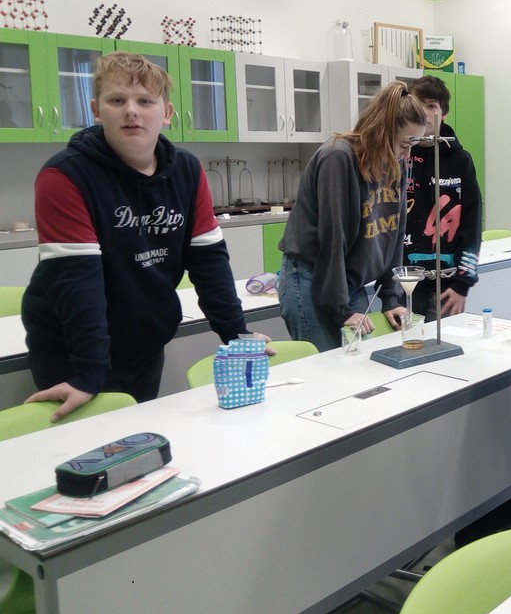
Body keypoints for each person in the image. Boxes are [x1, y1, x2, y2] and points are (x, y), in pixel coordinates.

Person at [21, 51, 253, 422]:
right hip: (72, 351)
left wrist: (236, 334)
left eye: (145, 101)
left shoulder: (188, 171)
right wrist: (89, 372)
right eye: (117, 100)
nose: (132, 111)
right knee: (90, 450)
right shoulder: (64, 176)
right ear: (97, 110)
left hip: (145, 340)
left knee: (138, 444)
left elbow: (209, 260)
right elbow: (77, 282)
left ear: (167, 113)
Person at [278, 80, 427, 352]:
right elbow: (333, 238)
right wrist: (340, 309)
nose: (408, 154)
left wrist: (392, 298)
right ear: (383, 131)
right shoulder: (338, 157)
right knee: (329, 368)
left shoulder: (395, 163)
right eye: (404, 144)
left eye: (413, 145)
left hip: (348, 283)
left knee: (360, 366)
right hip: (314, 279)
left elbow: (394, 233)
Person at [403, 75, 482, 321]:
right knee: (407, 340)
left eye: (431, 105)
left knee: (444, 342)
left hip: (448, 285)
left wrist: (463, 283)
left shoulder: (461, 160)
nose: (424, 113)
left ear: (444, 113)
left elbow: (472, 224)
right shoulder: (399, 155)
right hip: (404, 281)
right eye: (417, 104)